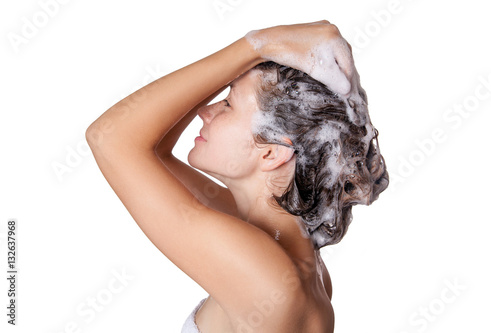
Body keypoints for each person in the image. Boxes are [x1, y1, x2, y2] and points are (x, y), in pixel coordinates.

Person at [86, 20, 388, 333]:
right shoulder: (282, 252)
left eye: (228, 104)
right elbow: (155, 149)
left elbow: (110, 138)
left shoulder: (266, 277)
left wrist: (256, 45)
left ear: (271, 153)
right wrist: (252, 58)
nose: (205, 110)